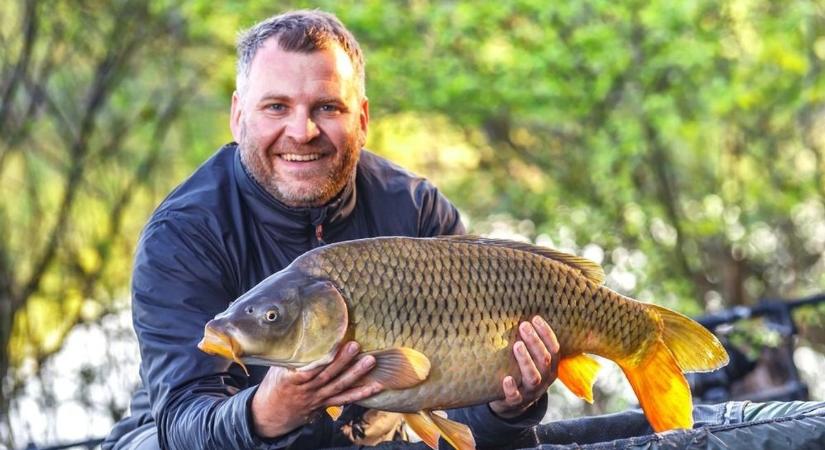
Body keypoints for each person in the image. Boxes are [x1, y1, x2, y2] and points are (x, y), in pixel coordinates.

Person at [103, 10, 557, 450]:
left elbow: (464, 427)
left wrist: (505, 408)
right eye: (277, 106)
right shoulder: (185, 235)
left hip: (371, 438)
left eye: (327, 107)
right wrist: (267, 413)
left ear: (361, 119)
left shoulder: (417, 212)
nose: (301, 131)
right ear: (238, 115)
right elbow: (184, 421)